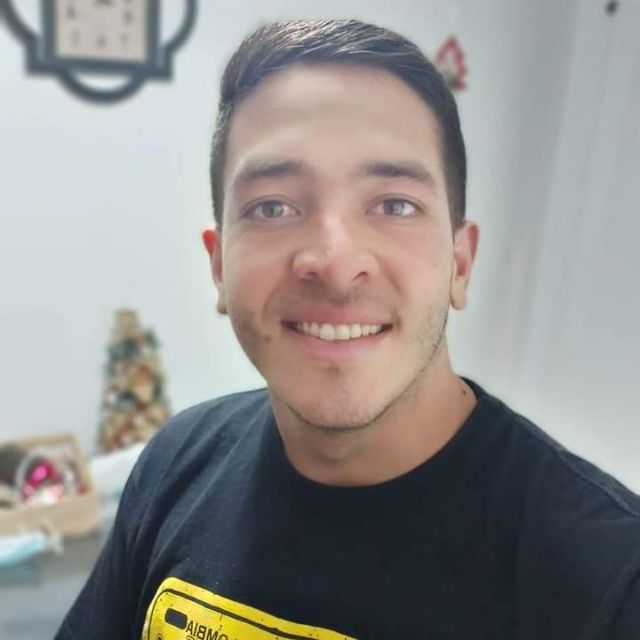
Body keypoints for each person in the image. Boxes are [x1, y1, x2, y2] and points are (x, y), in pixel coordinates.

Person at [56, 19, 640, 639]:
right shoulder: (176, 464)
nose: (334, 263)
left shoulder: (609, 581)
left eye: (394, 205)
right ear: (220, 265)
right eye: (273, 207)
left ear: (461, 263)